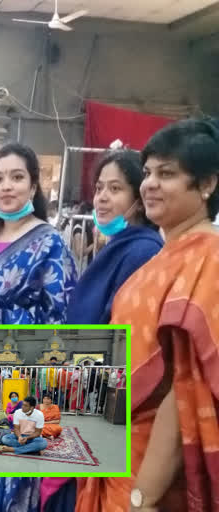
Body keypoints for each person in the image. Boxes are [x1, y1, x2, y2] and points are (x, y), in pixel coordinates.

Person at [77, 120, 219, 511]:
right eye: (149, 172)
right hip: (118, 454)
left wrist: (143, 496)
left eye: (167, 174)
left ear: (207, 184)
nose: (150, 184)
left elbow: (185, 392)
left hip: (149, 476)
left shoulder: (208, 259)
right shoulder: (167, 254)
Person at [0, 143, 77, 325]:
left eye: (17, 177)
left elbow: (60, 318)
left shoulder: (51, 244)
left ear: (33, 187)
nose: (6, 186)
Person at [66, 149, 163, 324]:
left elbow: (120, 333)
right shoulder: (119, 245)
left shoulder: (143, 252)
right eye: (99, 188)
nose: (101, 198)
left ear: (140, 201)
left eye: (115, 188)